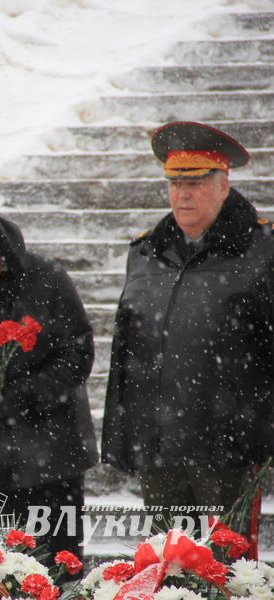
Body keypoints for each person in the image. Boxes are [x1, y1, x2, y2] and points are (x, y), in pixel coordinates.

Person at [103, 121, 274, 529]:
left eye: (195, 183)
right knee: (166, 557)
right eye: (175, 184)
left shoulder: (262, 249)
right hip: (157, 443)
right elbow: (126, 349)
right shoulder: (147, 251)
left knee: (224, 559)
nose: (182, 194)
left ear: (223, 185)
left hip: (228, 445)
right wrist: (124, 430)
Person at [0, 212, 97, 574]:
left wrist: (26, 396)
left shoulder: (46, 280)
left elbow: (77, 353)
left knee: (56, 562)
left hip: (51, 450)